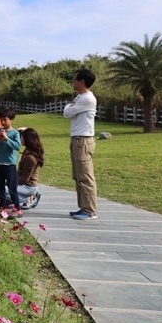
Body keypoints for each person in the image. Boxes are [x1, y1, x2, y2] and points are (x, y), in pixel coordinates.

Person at [64, 68, 98, 220]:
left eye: (75, 79)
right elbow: (68, 110)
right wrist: (70, 106)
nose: (73, 82)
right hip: (77, 139)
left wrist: (69, 106)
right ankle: (83, 207)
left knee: (85, 175)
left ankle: (89, 210)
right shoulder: (80, 97)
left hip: (83, 140)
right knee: (78, 175)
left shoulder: (87, 98)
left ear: (82, 82)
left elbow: (66, 112)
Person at [0, 107, 22, 216]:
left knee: (12, 187)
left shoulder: (15, 133)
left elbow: (17, 146)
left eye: (5, 120)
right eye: (1, 120)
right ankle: (2, 207)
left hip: (10, 164)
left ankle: (17, 208)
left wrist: (6, 138)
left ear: (12, 119)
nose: (3, 122)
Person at [17, 127, 44, 210]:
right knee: (3, 186)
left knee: (5, 191)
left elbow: (24, 179)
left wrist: (11, 182)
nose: (20, 138)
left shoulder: (30, 158)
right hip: (23, 184)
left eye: (21, 137)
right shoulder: (26, 151)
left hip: (29, 186)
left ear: (27, 139)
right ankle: (23, 198)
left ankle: (30, 198)